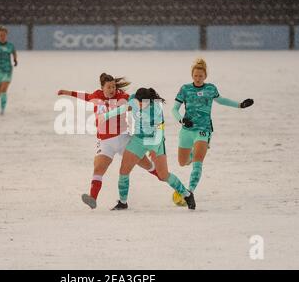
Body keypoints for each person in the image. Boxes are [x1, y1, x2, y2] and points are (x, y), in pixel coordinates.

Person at [58, 73, 158, 209]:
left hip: (124, 139)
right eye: (109, 87)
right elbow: (84, 96)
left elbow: (136, 102)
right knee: (99, 168)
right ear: (102, 88)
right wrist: (66, 92)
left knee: (147, 165)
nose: (112, 89)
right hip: (105, 142)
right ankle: (92, 198)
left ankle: (163, 175)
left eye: (114, 86)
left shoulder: (122, 96)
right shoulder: (96, 96)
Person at [171, 58, 254, 206]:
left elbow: (222, 101)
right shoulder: (185, 89)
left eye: (200, 76)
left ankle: (190, 193)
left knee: (197, 163)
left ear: (205, 76)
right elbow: (174, 109)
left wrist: (240, 105)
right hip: (187, 130)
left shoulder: (210, 89)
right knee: (182, 162)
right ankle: (195, 152)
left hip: (203, 130)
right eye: (195, 76)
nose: (198, 78)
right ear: (192, 75)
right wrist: (182, 120)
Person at [101, 87, 196, 210]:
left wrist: (154, 147)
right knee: (124, 170)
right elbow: (122, 109)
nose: (140, 105)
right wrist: (105, 116)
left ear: (149, 101)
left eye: (143, 103)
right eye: (138, 102)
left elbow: (160, 130)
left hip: (155, 139)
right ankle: (123, 203)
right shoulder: (133, 101)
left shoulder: (156, 108)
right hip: (138, 139)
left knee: (163, 175)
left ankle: (187, 195)